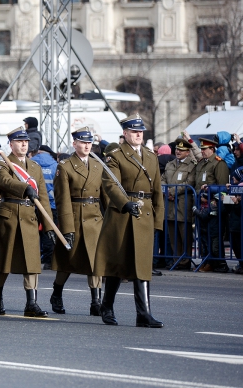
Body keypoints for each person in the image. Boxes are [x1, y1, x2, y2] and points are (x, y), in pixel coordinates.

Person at [94, 114, 164, 328]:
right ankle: (107, 305)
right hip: (122, 215)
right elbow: (110, 184)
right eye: (134, 131)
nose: (138, 135)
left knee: (142, 265)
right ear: (125, 134)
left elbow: (157, 192)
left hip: (144, 215)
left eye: (141, 131)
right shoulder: (116, 155)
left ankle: (143, 314)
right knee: (118, 264)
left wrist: (158, 222)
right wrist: (125, 203)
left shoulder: (151, 157)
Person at [0, 126, 52, 318]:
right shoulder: (3, 164)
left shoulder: (35, 168)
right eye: (19, 141)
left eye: (26, 142)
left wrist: (48, 225)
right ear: (11, 144)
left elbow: (42, 199)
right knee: (4, 261)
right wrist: (24, 187)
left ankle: (31, 303)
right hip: (9, 215)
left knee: (32, 262)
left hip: (28, 217)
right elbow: (3, 182)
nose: (24, 144)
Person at [50, 127, 104, 315]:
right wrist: (66, 228)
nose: (87, 145)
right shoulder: (65, 166)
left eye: (89, 142)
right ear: (75, 144)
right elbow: (62, 199)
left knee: (96, 261)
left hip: (95, 218)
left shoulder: (98, 165)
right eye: (83, 142)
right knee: (68, 261)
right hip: (74, 217)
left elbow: (104, 196)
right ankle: (57, 292)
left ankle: (96, 301)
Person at [195, 136, 230, 272]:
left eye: (205, 149)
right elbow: (197, 183)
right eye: (202, 149)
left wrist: (211, 199)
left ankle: (218, 263)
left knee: (214, 236)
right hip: (202, 205)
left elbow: (222, 187)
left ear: (212, 149)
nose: (202, 151)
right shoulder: (202, 163)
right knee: (203, 236)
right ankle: (206, 260)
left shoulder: (218, 163)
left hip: (213, 206)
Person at [161, 138, 196, 271]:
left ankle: (185, 261)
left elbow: (189, 183)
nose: (178, 152)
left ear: (188, 152)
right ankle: (177, 260)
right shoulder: (170, 164)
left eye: (181, 150)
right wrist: (165, 190)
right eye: (177, 149)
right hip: (169, 205)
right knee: (173, 235)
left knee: (184, 234)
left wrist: (172, 191)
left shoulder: (192, 165)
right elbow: (162, 179)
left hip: (183, 205)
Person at [31, 145, 58, 270]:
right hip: (51, 204)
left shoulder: (31, 163)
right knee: (49, 231)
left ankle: (31, 258)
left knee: (31, 231)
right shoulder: (55, 165)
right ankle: (48, 260)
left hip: (32, 203)